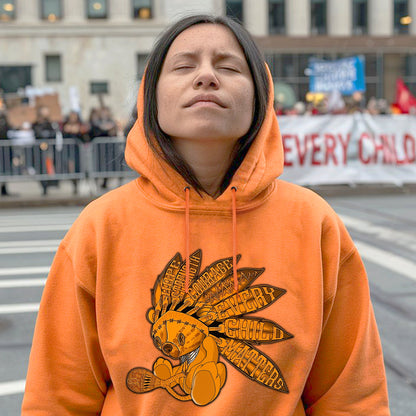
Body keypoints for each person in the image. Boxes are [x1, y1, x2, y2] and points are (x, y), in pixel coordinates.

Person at [22, 15, 390, 415]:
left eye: (228, 66)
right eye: (183, 65)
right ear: (151, 96)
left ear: (260, 98)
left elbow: (352, 399)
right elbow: (57, 399)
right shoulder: (100, 227)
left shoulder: (314, 223)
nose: (206, 77)